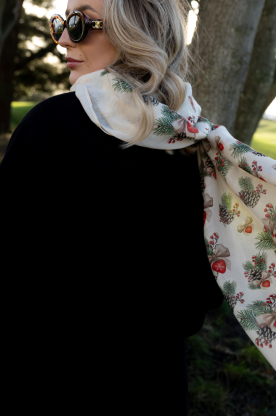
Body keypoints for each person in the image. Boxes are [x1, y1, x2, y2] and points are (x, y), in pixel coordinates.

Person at [1, 0, 223, 413]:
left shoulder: (50, 128)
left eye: (80, 22)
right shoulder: (193, 139)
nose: (63, 38)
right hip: (153, 384)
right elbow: (202, 294)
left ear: (134, 31)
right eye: (62, 23)